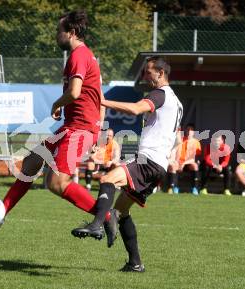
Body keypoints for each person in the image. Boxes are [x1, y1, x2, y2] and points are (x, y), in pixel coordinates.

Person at [0, 10, 115, 240]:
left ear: (71, 33)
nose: (55, 35)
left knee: (56, 182)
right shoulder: (87, 56)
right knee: (31, 162)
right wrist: (97, 130)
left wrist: (57, 103)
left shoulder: (79, 55)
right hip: (73, 126)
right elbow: (98, 98)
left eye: (58, 31)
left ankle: (106, 217)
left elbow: (74, 92)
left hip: (79, 129)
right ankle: (1, 211)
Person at [71, 56, 183, 273]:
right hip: (158, 166)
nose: (144, 75)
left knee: (107, 179)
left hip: (147, 160)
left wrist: (102, 101)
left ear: (160, 73)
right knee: (122, 212)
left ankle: (96, 225)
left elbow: (135, 109)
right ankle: (135, 263)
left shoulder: (159, 94)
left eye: (148, 71)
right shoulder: (177, 101)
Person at [165, 123, 201, 195]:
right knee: (173, 166)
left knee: (195, 166)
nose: (189, 132)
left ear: (193, 132)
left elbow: (194, 159)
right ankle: (173, 188)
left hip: (188, 163)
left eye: (191, 130)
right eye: (187, 130)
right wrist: (177, 162)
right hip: (179, 162)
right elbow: (175, 153)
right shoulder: (180, 140)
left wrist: (183, 163)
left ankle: (195, 188)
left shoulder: (196, 142)